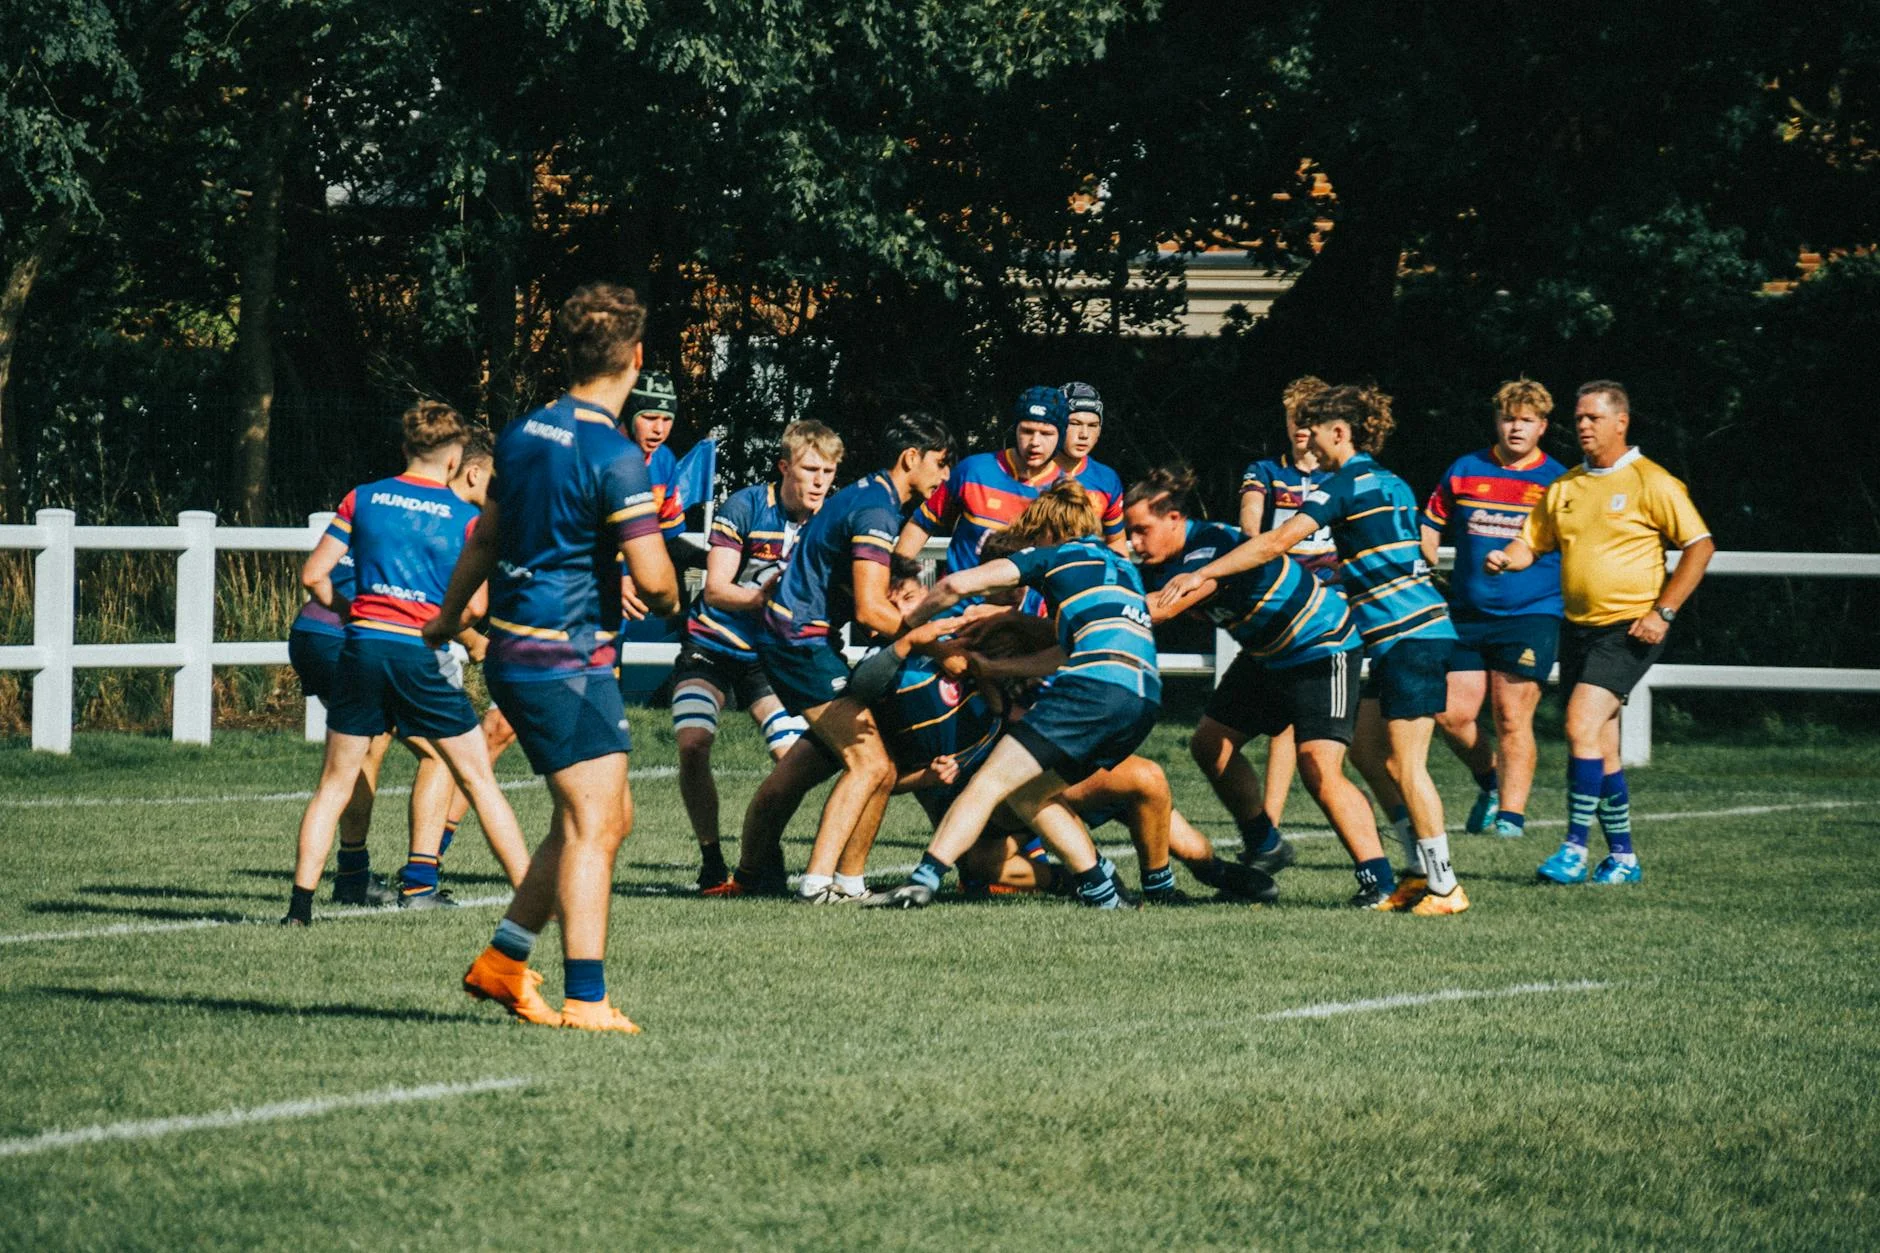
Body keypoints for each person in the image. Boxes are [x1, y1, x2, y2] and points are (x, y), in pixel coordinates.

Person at [428, 281, 680, 1033]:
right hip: (564, 659)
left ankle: (504, 962)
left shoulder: (522, 434)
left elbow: (485, 538)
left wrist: (444, 619)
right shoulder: (616, 454)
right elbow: (658, 578)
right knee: (595, 822)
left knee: (601, 816)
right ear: (636, 357)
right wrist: (670, 602)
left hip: (519, 649)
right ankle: (587, 998)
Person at [1155, 384, 1469, 916]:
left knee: (1408, 766)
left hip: (1410, 635)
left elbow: (1275, 541)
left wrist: (1203, 572)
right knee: (1370, 756)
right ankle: (1415, 875)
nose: (1310, 444)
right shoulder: (1392, 481)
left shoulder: (1344, 482)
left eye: (1317, 433)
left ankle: (1445, 886)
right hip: (1402, 636)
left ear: (1340, 432)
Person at [283, 405, 531, 927]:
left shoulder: (363, 497)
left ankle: (300, 908)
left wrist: (356, 612)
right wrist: (439, 624)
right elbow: (477, 608)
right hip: (415, 651)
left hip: (359, 647)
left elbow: (313, 576)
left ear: (405, 449)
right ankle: (528, 898)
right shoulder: (466, 517)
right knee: (477, 778)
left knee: (334, 781)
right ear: (455, 461)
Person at [867, 480, 1160, 910]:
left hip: (1094, 689)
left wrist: (909, 624)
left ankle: (922, 881)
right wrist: (994, 669)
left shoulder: (1054, 555)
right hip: (1144, 699)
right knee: (1028, 793)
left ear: (1047, 530)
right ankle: (1103, 891)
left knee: (988, 784)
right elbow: (1063, 652)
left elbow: (955, 586)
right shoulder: (1125, 571)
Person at [1128, 466, 1395, 907]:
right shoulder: (1163, 562)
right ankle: (1265, 843)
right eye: (1130, 533)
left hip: (1321, 647)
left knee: (1318, 767)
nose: (1136, 543)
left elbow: (1159, 610)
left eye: (1143, 530)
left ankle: (1379, 880)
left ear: (1174, 518)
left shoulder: (1211, 545)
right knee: (1210, 744)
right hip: (1268, 656)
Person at [1486, 379, 1714, 885]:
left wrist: (1664, 612)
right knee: (1601, 746)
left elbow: (1699, 545)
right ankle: (1624, 859)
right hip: (1580, 629)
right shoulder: (1565, 487)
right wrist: (1508, 558)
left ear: (1621, 422)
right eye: (1580, 417)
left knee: (1577, 726)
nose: (1583, 426)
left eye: (1593, 417)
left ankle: (1572, 849)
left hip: (1629, 628)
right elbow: (1532, 543)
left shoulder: (1652, 481)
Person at [754, 411, 954, 903]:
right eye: (942, 464)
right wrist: (937, 643)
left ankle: (840, 883)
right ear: (911, 459)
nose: (946, 476)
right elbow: (872, 610)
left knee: (860, 768)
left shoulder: (870, 495)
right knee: (867, 763)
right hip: (799, 641)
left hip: (801, 638)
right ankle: (817, 884)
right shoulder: (877, 512)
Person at [672, 420, 840, 889]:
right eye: (810, 469)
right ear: (784, 467)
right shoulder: (744, 505)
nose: (820, 480)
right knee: (693, 743)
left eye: (828, 470)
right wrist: (765, 598)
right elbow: (719, 589)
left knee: (790, 755)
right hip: (712, 643)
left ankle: (764, 854)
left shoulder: (830, 517)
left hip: (770, 655)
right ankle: (711, 859)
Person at [1420, 378, 1567, 840]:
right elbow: (1431, 523)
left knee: (1510, 716)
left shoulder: (1558, 481)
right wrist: (1426, 565)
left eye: (1526, 420)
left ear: (1542, 427)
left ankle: (1511, 819)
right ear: (1496, 421)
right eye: (1508, 418)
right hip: (1466, 613)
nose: (1516, 428)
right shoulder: (1465, 469)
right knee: (1451, 715)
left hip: (1531, 613)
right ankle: (1489, 782)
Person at [1234, 375, 1340, 864]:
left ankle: (1269, 827)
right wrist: (1255, 542)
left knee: (1300, 729)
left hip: (1329, 611)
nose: (1302, 427)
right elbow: (1251, 523)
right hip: (1280, 605)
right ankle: (1269, 826)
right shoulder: (1264, 471)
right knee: (1279, 725)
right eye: (1294, 416)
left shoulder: (1343, 478)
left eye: (1311, 418)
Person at [894, 386, 1065, 571]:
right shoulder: (973, 471)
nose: (1035, 442)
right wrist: (896, 578)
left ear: (1060, 437)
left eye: (1046, 433)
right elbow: (921, 524)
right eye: (1027, 431)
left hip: (1024, 600)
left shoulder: (1065, 491)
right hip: (960, 597)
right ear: (1015, 429)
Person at [1056, 382, 1128, 554]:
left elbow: (1116, 540)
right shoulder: (1032, 470)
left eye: (1092, 425)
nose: (1084, 434)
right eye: (1074, 423)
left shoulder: (1106, 478)